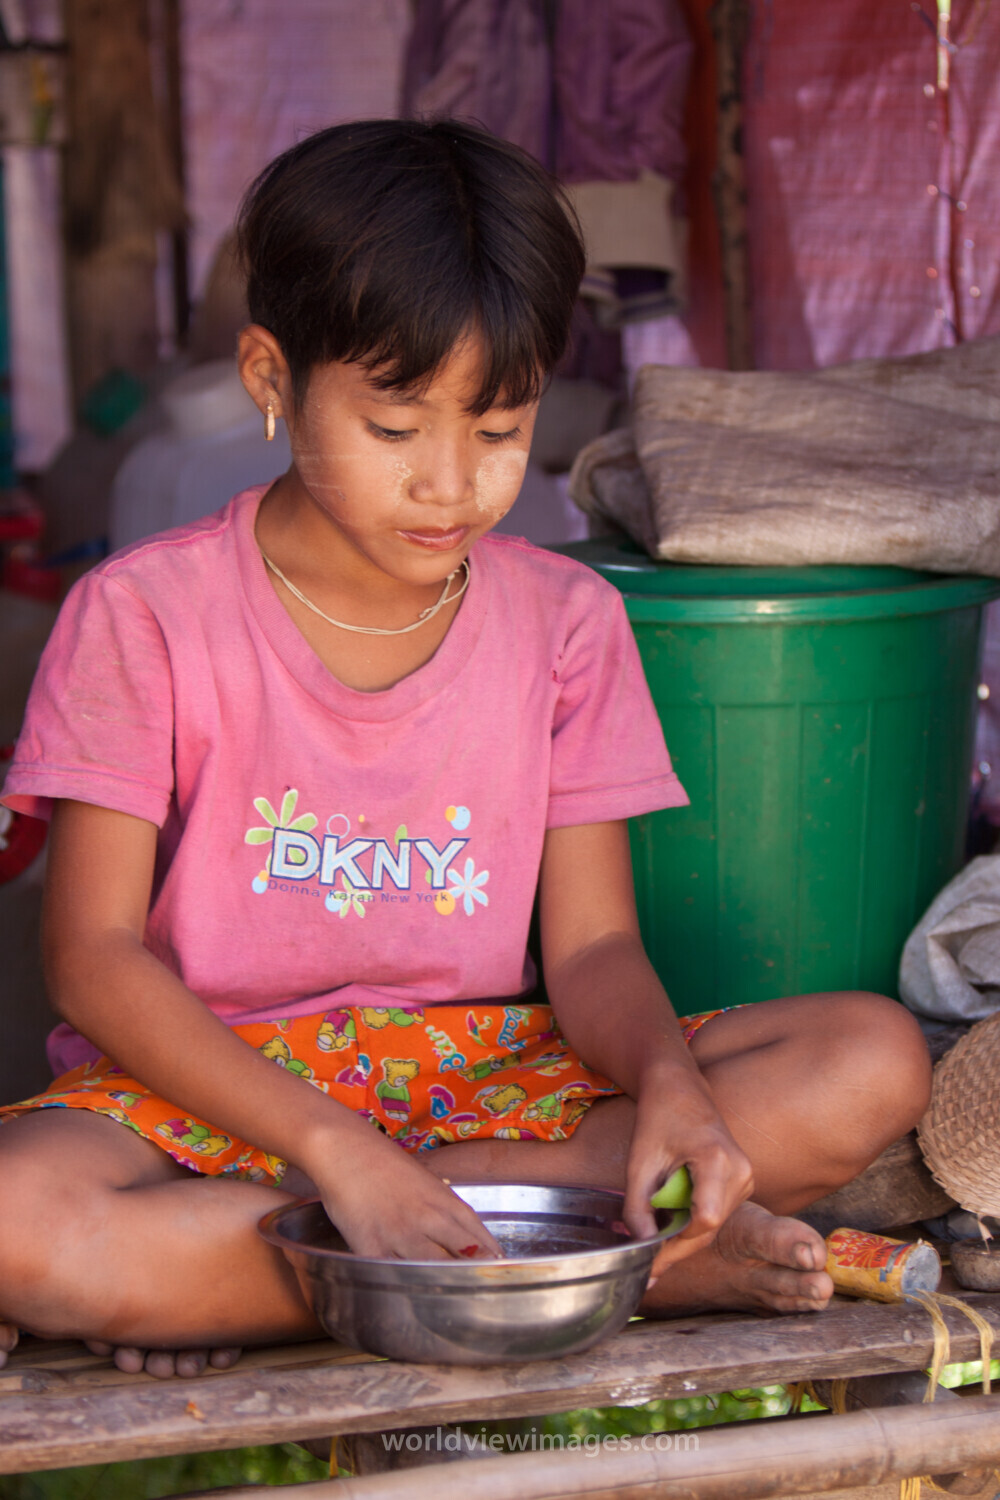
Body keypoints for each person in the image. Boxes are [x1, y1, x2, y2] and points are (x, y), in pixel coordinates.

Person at [0, 120, 931, 1379]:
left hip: (477, 1072)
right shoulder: (145, 612)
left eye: (498, 433)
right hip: (208, 1090)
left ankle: (260, 1273)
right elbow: (95, 961)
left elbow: (593, 946)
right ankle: (620, 1265)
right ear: (271, 377)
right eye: (395, 431)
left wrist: (669, 1087)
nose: (452, 485)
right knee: (13, 1219)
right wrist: (336, 1151)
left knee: (867, 1060)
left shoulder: (565, 620)